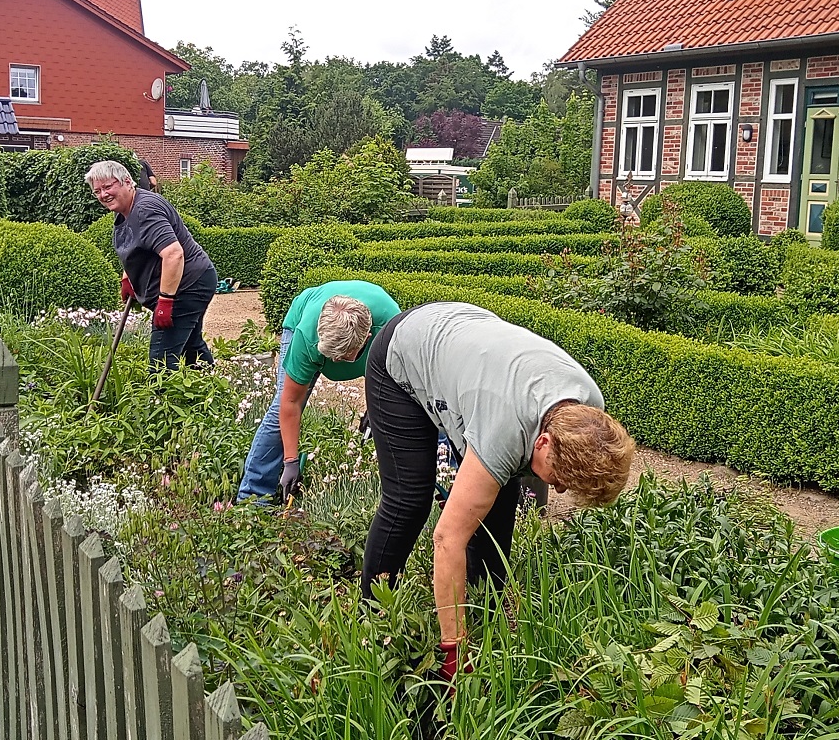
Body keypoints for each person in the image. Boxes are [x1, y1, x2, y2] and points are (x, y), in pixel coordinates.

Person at [361, 302, 635, 683]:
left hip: (470, 346)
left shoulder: (590, 408)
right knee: (410, 498)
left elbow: (511, 478)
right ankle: (373, 613)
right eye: (559, 478)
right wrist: (453, 650)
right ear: (542, 442)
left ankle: (485, 614)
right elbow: (447, 540)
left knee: (500, 493)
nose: (556, 488)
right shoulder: (505, 429)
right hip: (405, 352)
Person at [236, 281, 400, 502]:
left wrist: (375, 406)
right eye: (329, 355)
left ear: (366, 340)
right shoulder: (307, 337)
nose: (334, 362)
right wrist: (291, 461)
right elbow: (290, 403)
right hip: (303, 318)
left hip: (377, 327)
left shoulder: (392, 330)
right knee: (279, 409)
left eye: (341, 357)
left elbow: (386, 375)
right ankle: (253, 497)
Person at [85, 160, 216, 369]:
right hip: (193, 280)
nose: (103, 195)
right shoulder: (125, 210)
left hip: (188, 285)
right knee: (191, 347)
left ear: (127, 182)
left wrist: (165, 301)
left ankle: (159, 398)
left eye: (108, 187)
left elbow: (173, 254)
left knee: (161, 362)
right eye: (97, 191)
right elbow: (139, 247)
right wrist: (127, 277)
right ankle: (212, 392)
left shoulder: (145, 210)